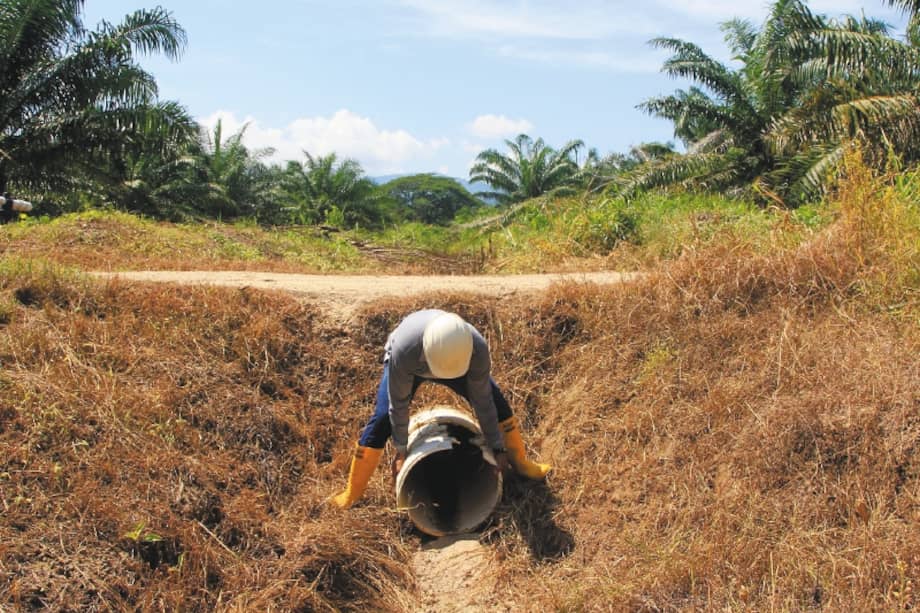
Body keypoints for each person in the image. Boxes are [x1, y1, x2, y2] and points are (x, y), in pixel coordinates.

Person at [331, 309, 551, 509]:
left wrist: (497, 448)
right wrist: (401, 449)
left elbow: (483, 402)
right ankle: (353, 492)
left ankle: (521, 464)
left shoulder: (476, 349)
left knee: (497, 403)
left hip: (460, 366)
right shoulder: (406, 348)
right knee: (381, 420)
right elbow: (398, 404)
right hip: (413, 365)